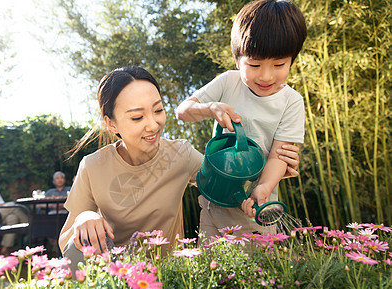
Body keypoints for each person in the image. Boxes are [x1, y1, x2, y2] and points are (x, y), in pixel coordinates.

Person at [59, 66, 300, 270]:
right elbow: (67, 243)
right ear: (111, 123)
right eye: (137, 117)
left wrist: (272, 168)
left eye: (158, 110)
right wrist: (85, 216)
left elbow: (225, 186)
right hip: (114, 275)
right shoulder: (92, 166)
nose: (153, 125)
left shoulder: (180, 154)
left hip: (170, 277)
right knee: (79, 247)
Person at [176, 0, 306, 237]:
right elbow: (182, 111)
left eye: (279, 64)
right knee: (210, 266)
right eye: (254, 65)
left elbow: (281, 155)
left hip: (255, 207)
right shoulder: (228, 82)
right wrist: (210, 108)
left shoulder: (292, 101)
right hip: (214, 197)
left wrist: (264, 188)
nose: (266, 76)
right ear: (237, 60)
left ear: (292, 60)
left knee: (255, 271)